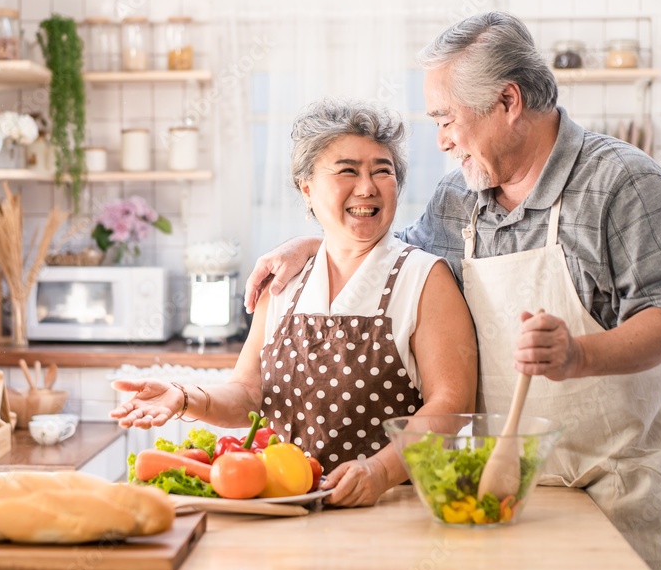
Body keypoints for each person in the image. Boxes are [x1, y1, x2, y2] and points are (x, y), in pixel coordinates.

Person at [245, 12, 661, 570]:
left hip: (625, 479)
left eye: (445, 118)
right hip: (510, 486)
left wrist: (579, 356)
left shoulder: (623, 181)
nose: (440, 140)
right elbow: (390, 247)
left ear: (507, 101)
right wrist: (309, 244)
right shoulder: (459, 195)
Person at [111, 98, 478, 508]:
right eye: (347, 171)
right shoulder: (284, 283)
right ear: (307, 188)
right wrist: (184, 397)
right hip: (285, 506)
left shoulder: (425, 278)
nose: (368, 187)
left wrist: (379, 471)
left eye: (382, 171)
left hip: (391, 508)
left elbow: (452, 404)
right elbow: (249, 394)